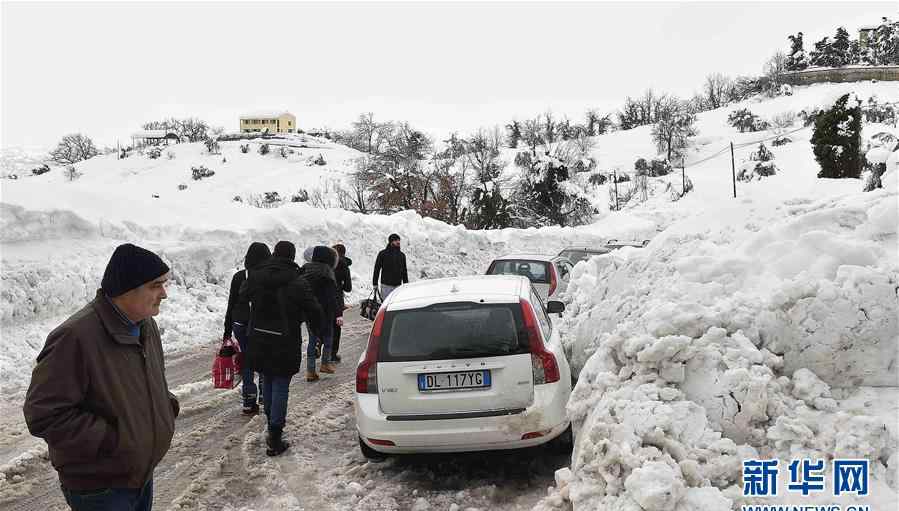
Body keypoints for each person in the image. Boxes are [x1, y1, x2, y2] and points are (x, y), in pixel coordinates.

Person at [23, 243, 178, 511]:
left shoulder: (145, 326)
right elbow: (43, 413)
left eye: (164, 285)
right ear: (126, 289)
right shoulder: (75, 337)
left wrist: (165, 405)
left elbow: (145, 382)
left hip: (140, 475)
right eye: (155, 285)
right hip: (101, 487)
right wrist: (114, 440)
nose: (164, 294)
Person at [242, 240, 322, 456]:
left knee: (267, 378)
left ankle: (271, 423)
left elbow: (244, 294)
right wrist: (315, 327)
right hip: (285, 339)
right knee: (280, 383)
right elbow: (313, 308)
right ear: (292, 256)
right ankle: (275, 435)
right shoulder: (297, 281)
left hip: (258, 337)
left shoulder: (257, 276)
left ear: (274, 253)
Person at [223, 241, 271, 415]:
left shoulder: (239, 276)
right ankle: (265, 397)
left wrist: (227, 331)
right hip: (261, 325)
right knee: (264, 360)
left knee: (247, 362)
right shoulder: (268, 276)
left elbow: (231, 304)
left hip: (240, 324)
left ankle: (248, 401)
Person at [301, 246, 340, 381]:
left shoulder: (306, 269)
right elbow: (331, 296)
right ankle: (325, 363)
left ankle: (310, 371)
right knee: (328, 337)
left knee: (312, 339)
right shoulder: (327, 272)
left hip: (310, 311)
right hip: (325, 311)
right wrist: (337, 312)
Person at [331, 243, 352, 362]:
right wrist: (341, 285)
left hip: (325, 298)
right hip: (338, 300)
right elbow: (348, 287)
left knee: (325, 324)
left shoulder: (327, 263)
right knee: (336, 327)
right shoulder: (344, 266)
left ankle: (319, 344)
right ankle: (333, 354)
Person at [372, 233, 408, 300]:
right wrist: (375, 283)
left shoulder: (402, 255)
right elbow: (377, 269)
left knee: (397, 305)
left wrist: (406, 285)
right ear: (391, 242)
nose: (398, 242)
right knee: (386, 305)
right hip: (386, 285)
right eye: (395, 240)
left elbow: (404, 271)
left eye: (399, 240)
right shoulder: (382, 254)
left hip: (398, 286)